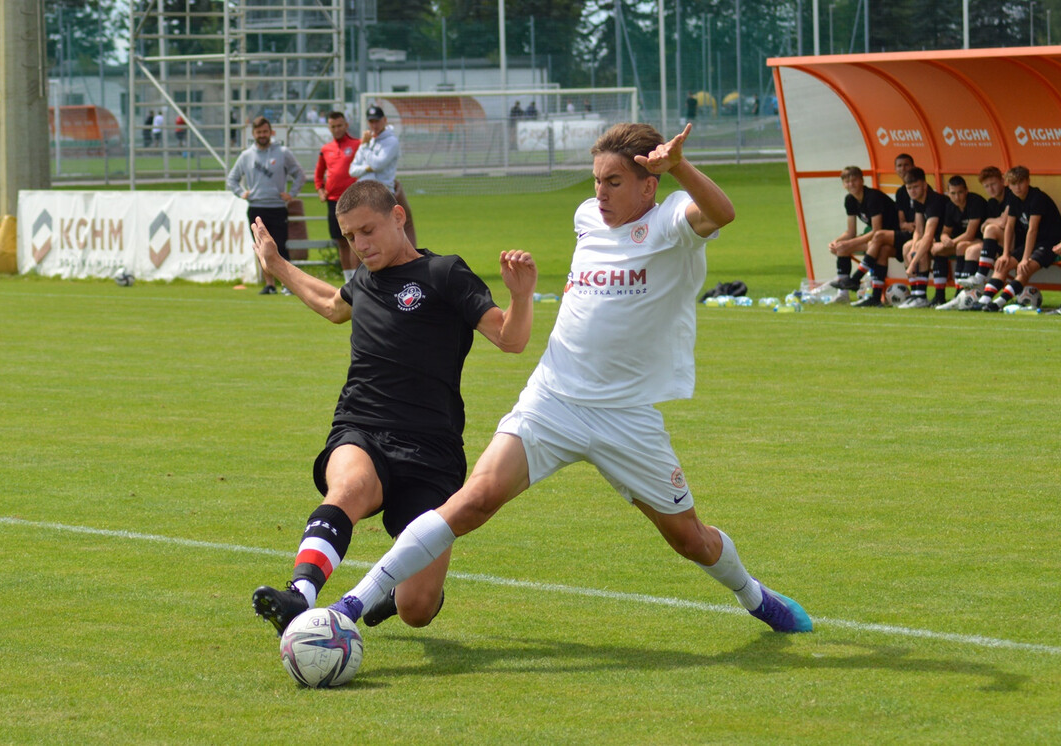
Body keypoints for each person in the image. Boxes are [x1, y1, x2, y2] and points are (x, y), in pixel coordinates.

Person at [324, 123, 813, 642]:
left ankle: (756, 598)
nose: (599, 193)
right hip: (553, 397)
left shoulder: (672, 218)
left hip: (626, 415)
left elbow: (722, 213)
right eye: (596, 180)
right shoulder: (586, 217)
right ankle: (349, 606)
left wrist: (680, 168)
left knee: (691, 541)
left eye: (615, 182)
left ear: (649, 183)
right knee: (473, 500)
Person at [249, 179, 538, 633]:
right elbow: (330, 304)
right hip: (362, 426)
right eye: (349, 237)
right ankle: (298, 595)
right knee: (349, 487)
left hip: (432, 450)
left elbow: (511, 338)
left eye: (367, 231)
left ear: (398, 218)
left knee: (416, 609)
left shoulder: (444, 274)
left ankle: (398, 591)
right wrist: (276, 263)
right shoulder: (364, 279)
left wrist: (521, 296)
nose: (360, 246)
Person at [226, 116, 307, 295]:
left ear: (271, 132)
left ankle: (288, 284)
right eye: (258, 132)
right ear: (253, 134)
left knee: (280, 246)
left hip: (277, 207)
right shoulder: (246, 155)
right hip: (256, 208)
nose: (262, 135)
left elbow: (300, 175)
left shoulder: (283, 152)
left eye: (265, 131)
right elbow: (232, 180)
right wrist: (242, 193)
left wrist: (291, 194)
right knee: (262, 248)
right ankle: (270, 284)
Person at [970, 165, 1061, 311]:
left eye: (1020, 182)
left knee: (1025, 268)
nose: (1017, 187)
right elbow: (1009, 227)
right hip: (1031, 242)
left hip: (1050, 243)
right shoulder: (1013, 197)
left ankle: (998, 303)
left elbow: (1033, 229)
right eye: (1013, 184)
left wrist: (1024, 259)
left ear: (1028, 181)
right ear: (1008, 185)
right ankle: (984, 300)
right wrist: (1005, 254)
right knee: (1003, 264)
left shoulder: (1037, 197)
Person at [349, 105, 417, 248]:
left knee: (385, 232)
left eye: (377, 121)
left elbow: (377, 164)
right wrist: (366, 167)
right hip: (364, 194)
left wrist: (366, 149)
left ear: (384, 120)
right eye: (371, 122)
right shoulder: (369, 141)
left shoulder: (391, 141)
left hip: (383, 193)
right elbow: (352, 170)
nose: (374, 125)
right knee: (366, 232)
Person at [827, 166, 898, 303]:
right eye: (847, 182)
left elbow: (877, 230)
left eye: (854, 180)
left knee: (873, 244)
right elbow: (851, 232)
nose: (851, 184)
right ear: (843, 185)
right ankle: (843, 293)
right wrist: (836, 241)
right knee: (841, 247)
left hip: (893, 235)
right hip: (878, 238)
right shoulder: (850, 200)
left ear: (862, 181)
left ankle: (857, 281)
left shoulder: (872, 197)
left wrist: (850, 243)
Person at [857, 153, 918, 307]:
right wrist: (906, 225)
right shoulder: (900, 192)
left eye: (906, 165)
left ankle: (856, 276)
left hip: (919, 236)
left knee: (879, 236)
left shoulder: (920, 187)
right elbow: (901, 221)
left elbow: (925, 214)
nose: (903, 168)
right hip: (906, 234)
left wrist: (915, 225)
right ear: (895, 169)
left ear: (913, 166)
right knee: (883, 250)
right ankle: (876, 297)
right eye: (899, 166)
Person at [314, 111, 362, 282]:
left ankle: (359, 278)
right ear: (329, 128)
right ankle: (348, 280)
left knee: (356, 238)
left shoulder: (357, 144)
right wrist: (320, 190)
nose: (336, 129)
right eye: (333, 126)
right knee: (341, 241)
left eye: (340, 125)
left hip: (354, 201)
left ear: (346, 125)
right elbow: (318, 174)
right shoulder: (326, 149)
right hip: (333, 202)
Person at [933, 175, 987, 310]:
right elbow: (945, 231)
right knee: (937, 250)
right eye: (953, 193)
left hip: (983, 242)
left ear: (966, 191)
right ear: (948, 193)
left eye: (960, 192)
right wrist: (944, 238)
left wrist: (950, 242)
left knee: (962, 246)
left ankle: (960, 294)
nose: (957, 197)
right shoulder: (951, 206)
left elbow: (970, 234)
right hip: (962, 244)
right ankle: (939, 296)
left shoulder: (975, 202)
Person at [899, 167, 949, 308]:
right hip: (934, 238)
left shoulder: (934, 201)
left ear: (925, 185)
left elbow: (928, 235)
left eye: (916, 187)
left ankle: (921, 296)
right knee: (907, 247)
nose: (912, 191)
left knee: (922, 247)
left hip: (947, 237)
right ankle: (915, 293)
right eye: (909, 188)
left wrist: (913, 261)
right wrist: (913, 249)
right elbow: (918, 230)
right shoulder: (916, 202)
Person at [961, 166, 1015, 290]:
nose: (990, 189)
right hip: (1000, 244)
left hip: (1015, 243)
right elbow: (986, 229)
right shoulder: (991, 202)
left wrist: (989, 221)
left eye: (993, 184)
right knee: (971, 250)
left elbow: (1002, 223)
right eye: (986, 186)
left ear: (1002, 181)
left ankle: (980, 277)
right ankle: (964, 295)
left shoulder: (1011, 195)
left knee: (991, 228)